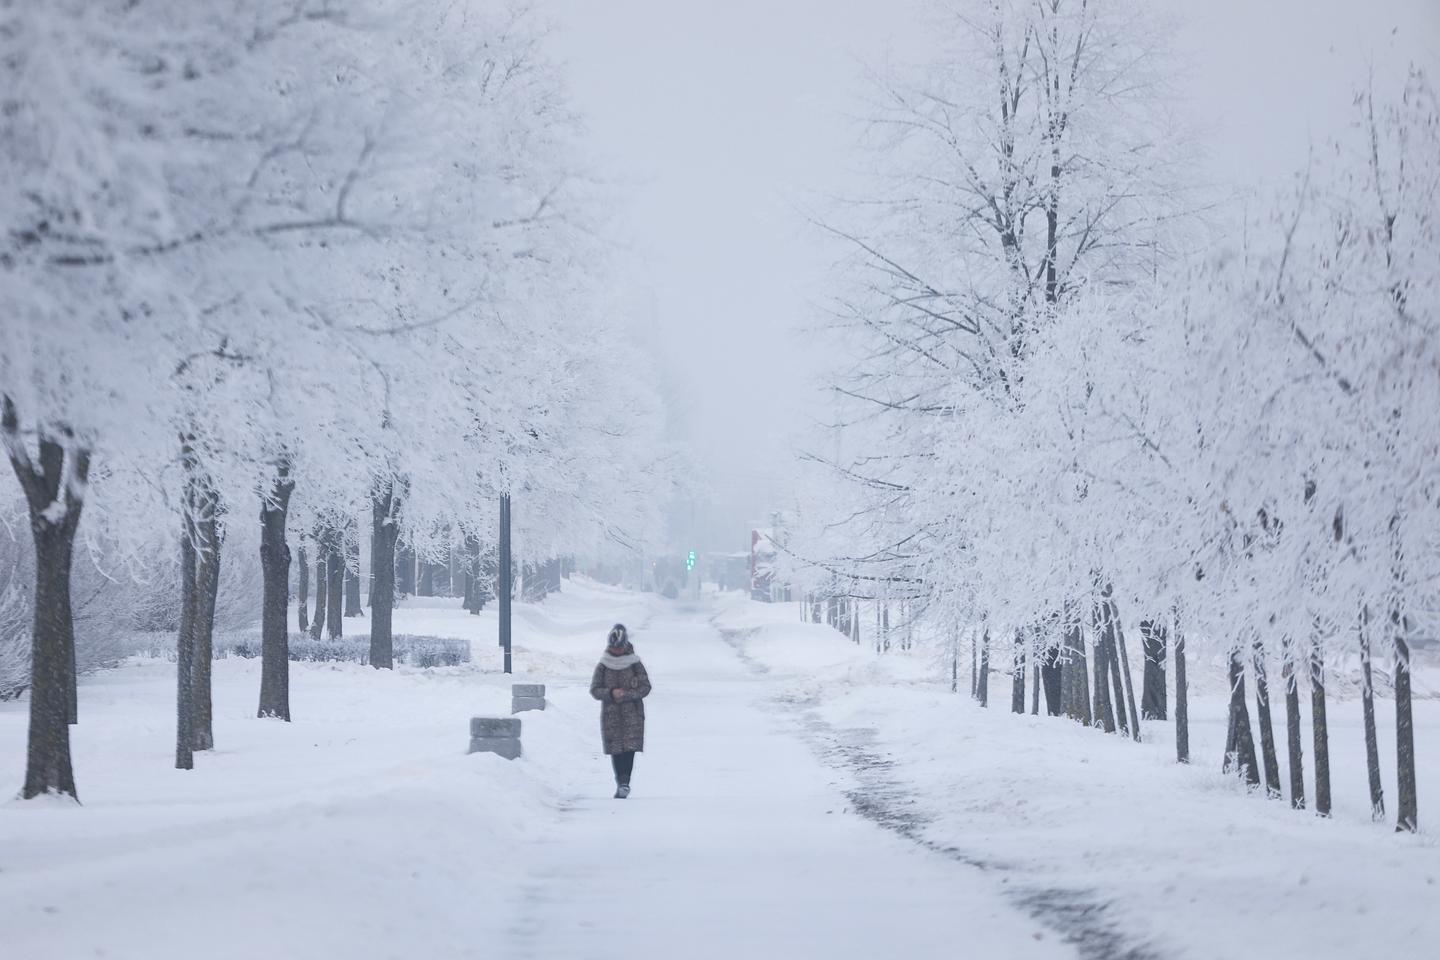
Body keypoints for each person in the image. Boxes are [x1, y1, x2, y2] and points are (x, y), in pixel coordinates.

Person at [589, 623, 651, 799]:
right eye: (614, 648)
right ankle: (620, 782)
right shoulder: (604, 665)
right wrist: (610, 693)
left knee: (629, 749)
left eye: (619, 648)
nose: (616, 651)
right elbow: (595, 689)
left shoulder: (635, 663)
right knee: (616, 750)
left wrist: (627, 694)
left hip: (632, 714)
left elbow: (646, 687)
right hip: (611, 715)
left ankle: (625, 782)